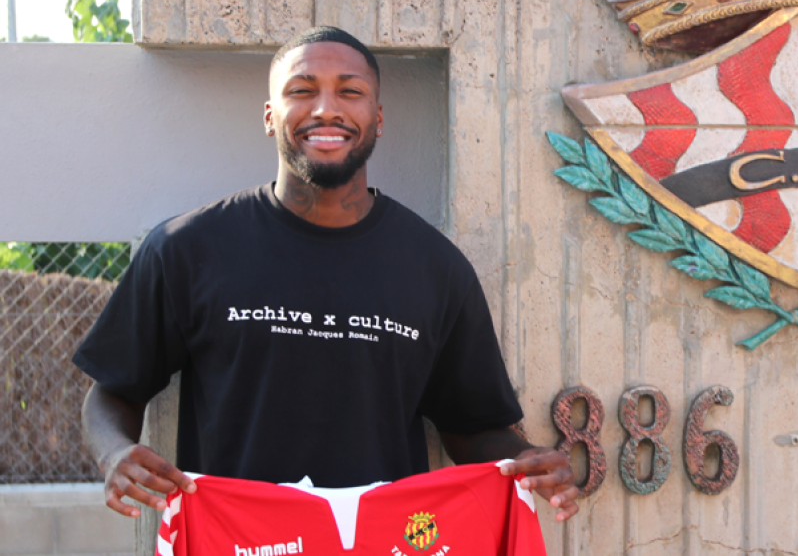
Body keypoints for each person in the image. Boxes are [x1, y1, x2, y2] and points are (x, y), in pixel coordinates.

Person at [72, 26, 579, 524]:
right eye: (302, 90)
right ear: (271, 116)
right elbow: (114, 389)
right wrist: (114, 453)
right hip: (235, 542)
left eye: (350, 92)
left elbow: (474, 428)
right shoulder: (188, 249)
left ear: (377, 119)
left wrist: (527, 461)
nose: (326, 109)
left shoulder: (435, 268)